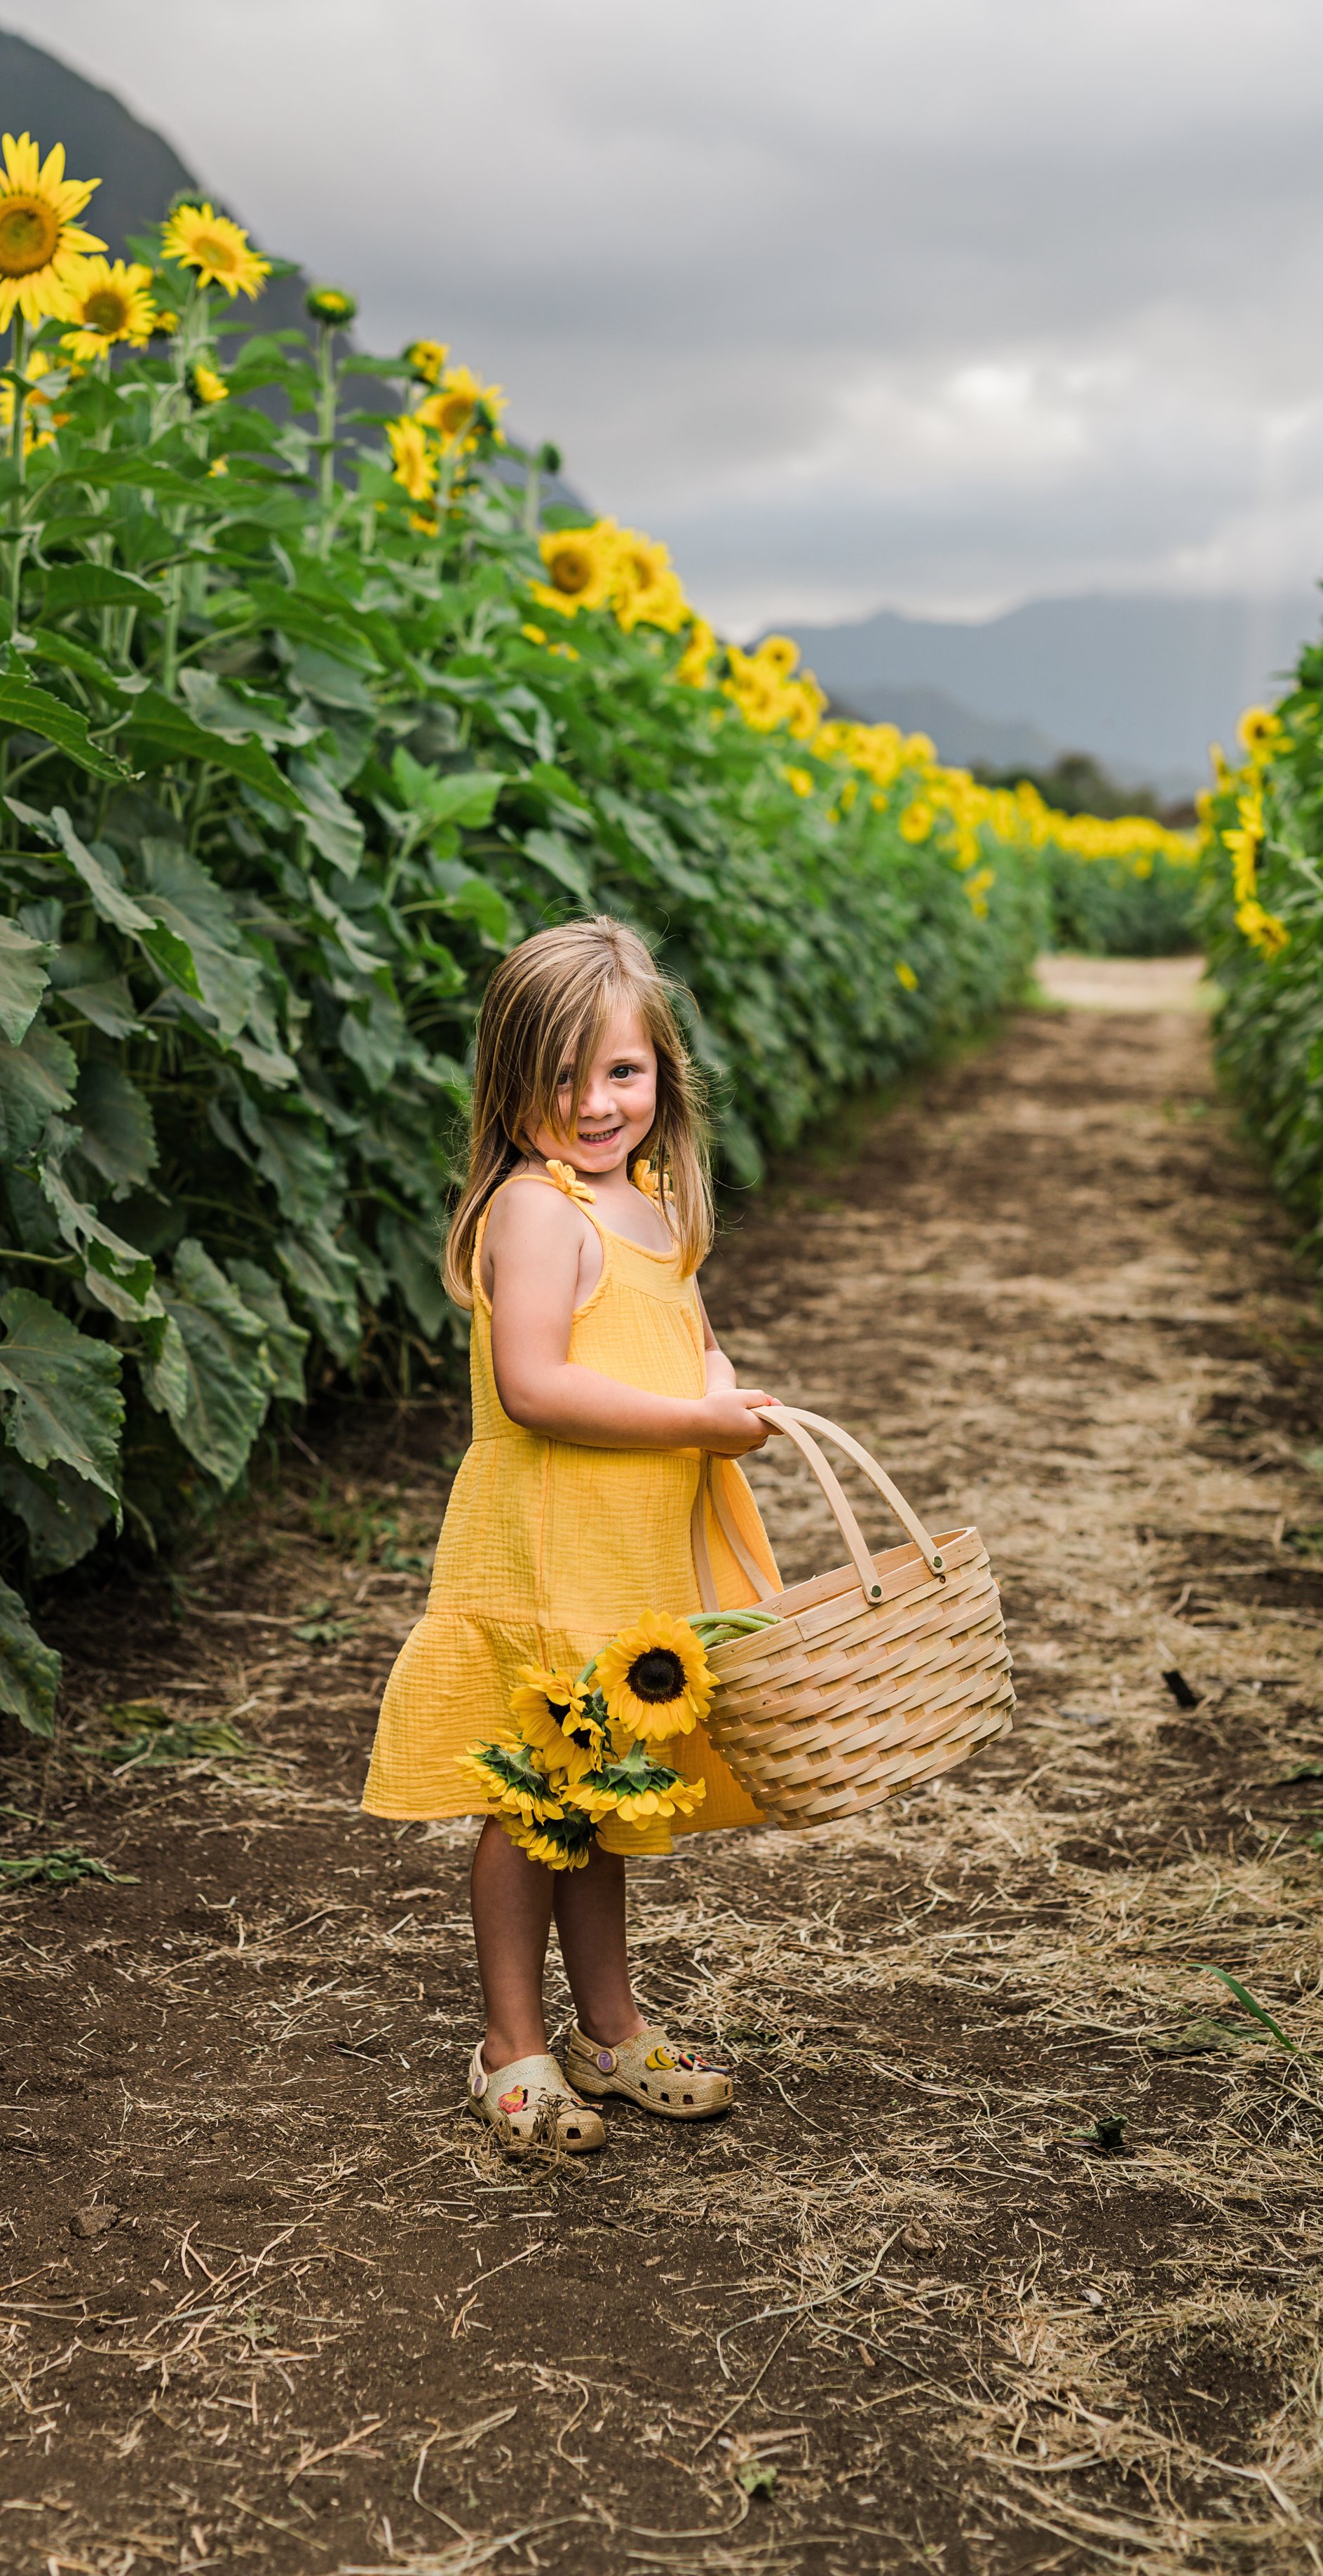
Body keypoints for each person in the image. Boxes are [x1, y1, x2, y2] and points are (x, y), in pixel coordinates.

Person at [362, 916, 783, 2152]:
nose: (596, 1104)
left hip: (627, 1559)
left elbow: (690, 1339)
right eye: (561, 1077)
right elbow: (537, 1383)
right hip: (549, 1552)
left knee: (600, 1798)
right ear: (509, 1084)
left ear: (662, 1074)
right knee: (530, 1800)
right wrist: (689, 1417)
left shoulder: (652, 1203)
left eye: (623, 1072)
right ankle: (511, 2042)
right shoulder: (538, 1213)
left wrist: (732, 1397)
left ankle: (609, 2028)